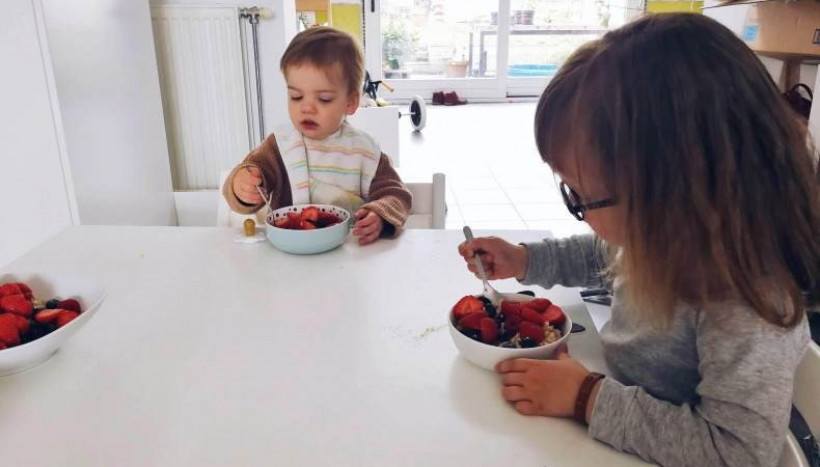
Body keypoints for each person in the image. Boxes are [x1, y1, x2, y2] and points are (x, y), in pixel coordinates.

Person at [459, 13, 819, 467]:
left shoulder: (747, 302)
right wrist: (526, 259)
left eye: (585, 197)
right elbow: (605, 255)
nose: (583, 214)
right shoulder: (665, 233)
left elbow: (739, 452)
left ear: (675, 188)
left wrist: (587, 397)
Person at [223, 27, 411, 245]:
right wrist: (242, 186)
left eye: (323, 99)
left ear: (350, 102)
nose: (307, 108)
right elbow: (248, 175)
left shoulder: (365, 151)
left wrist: (379, 215)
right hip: (289, 257)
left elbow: (397, 195)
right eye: (296, 96)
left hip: (349, 259)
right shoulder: (281, 144)